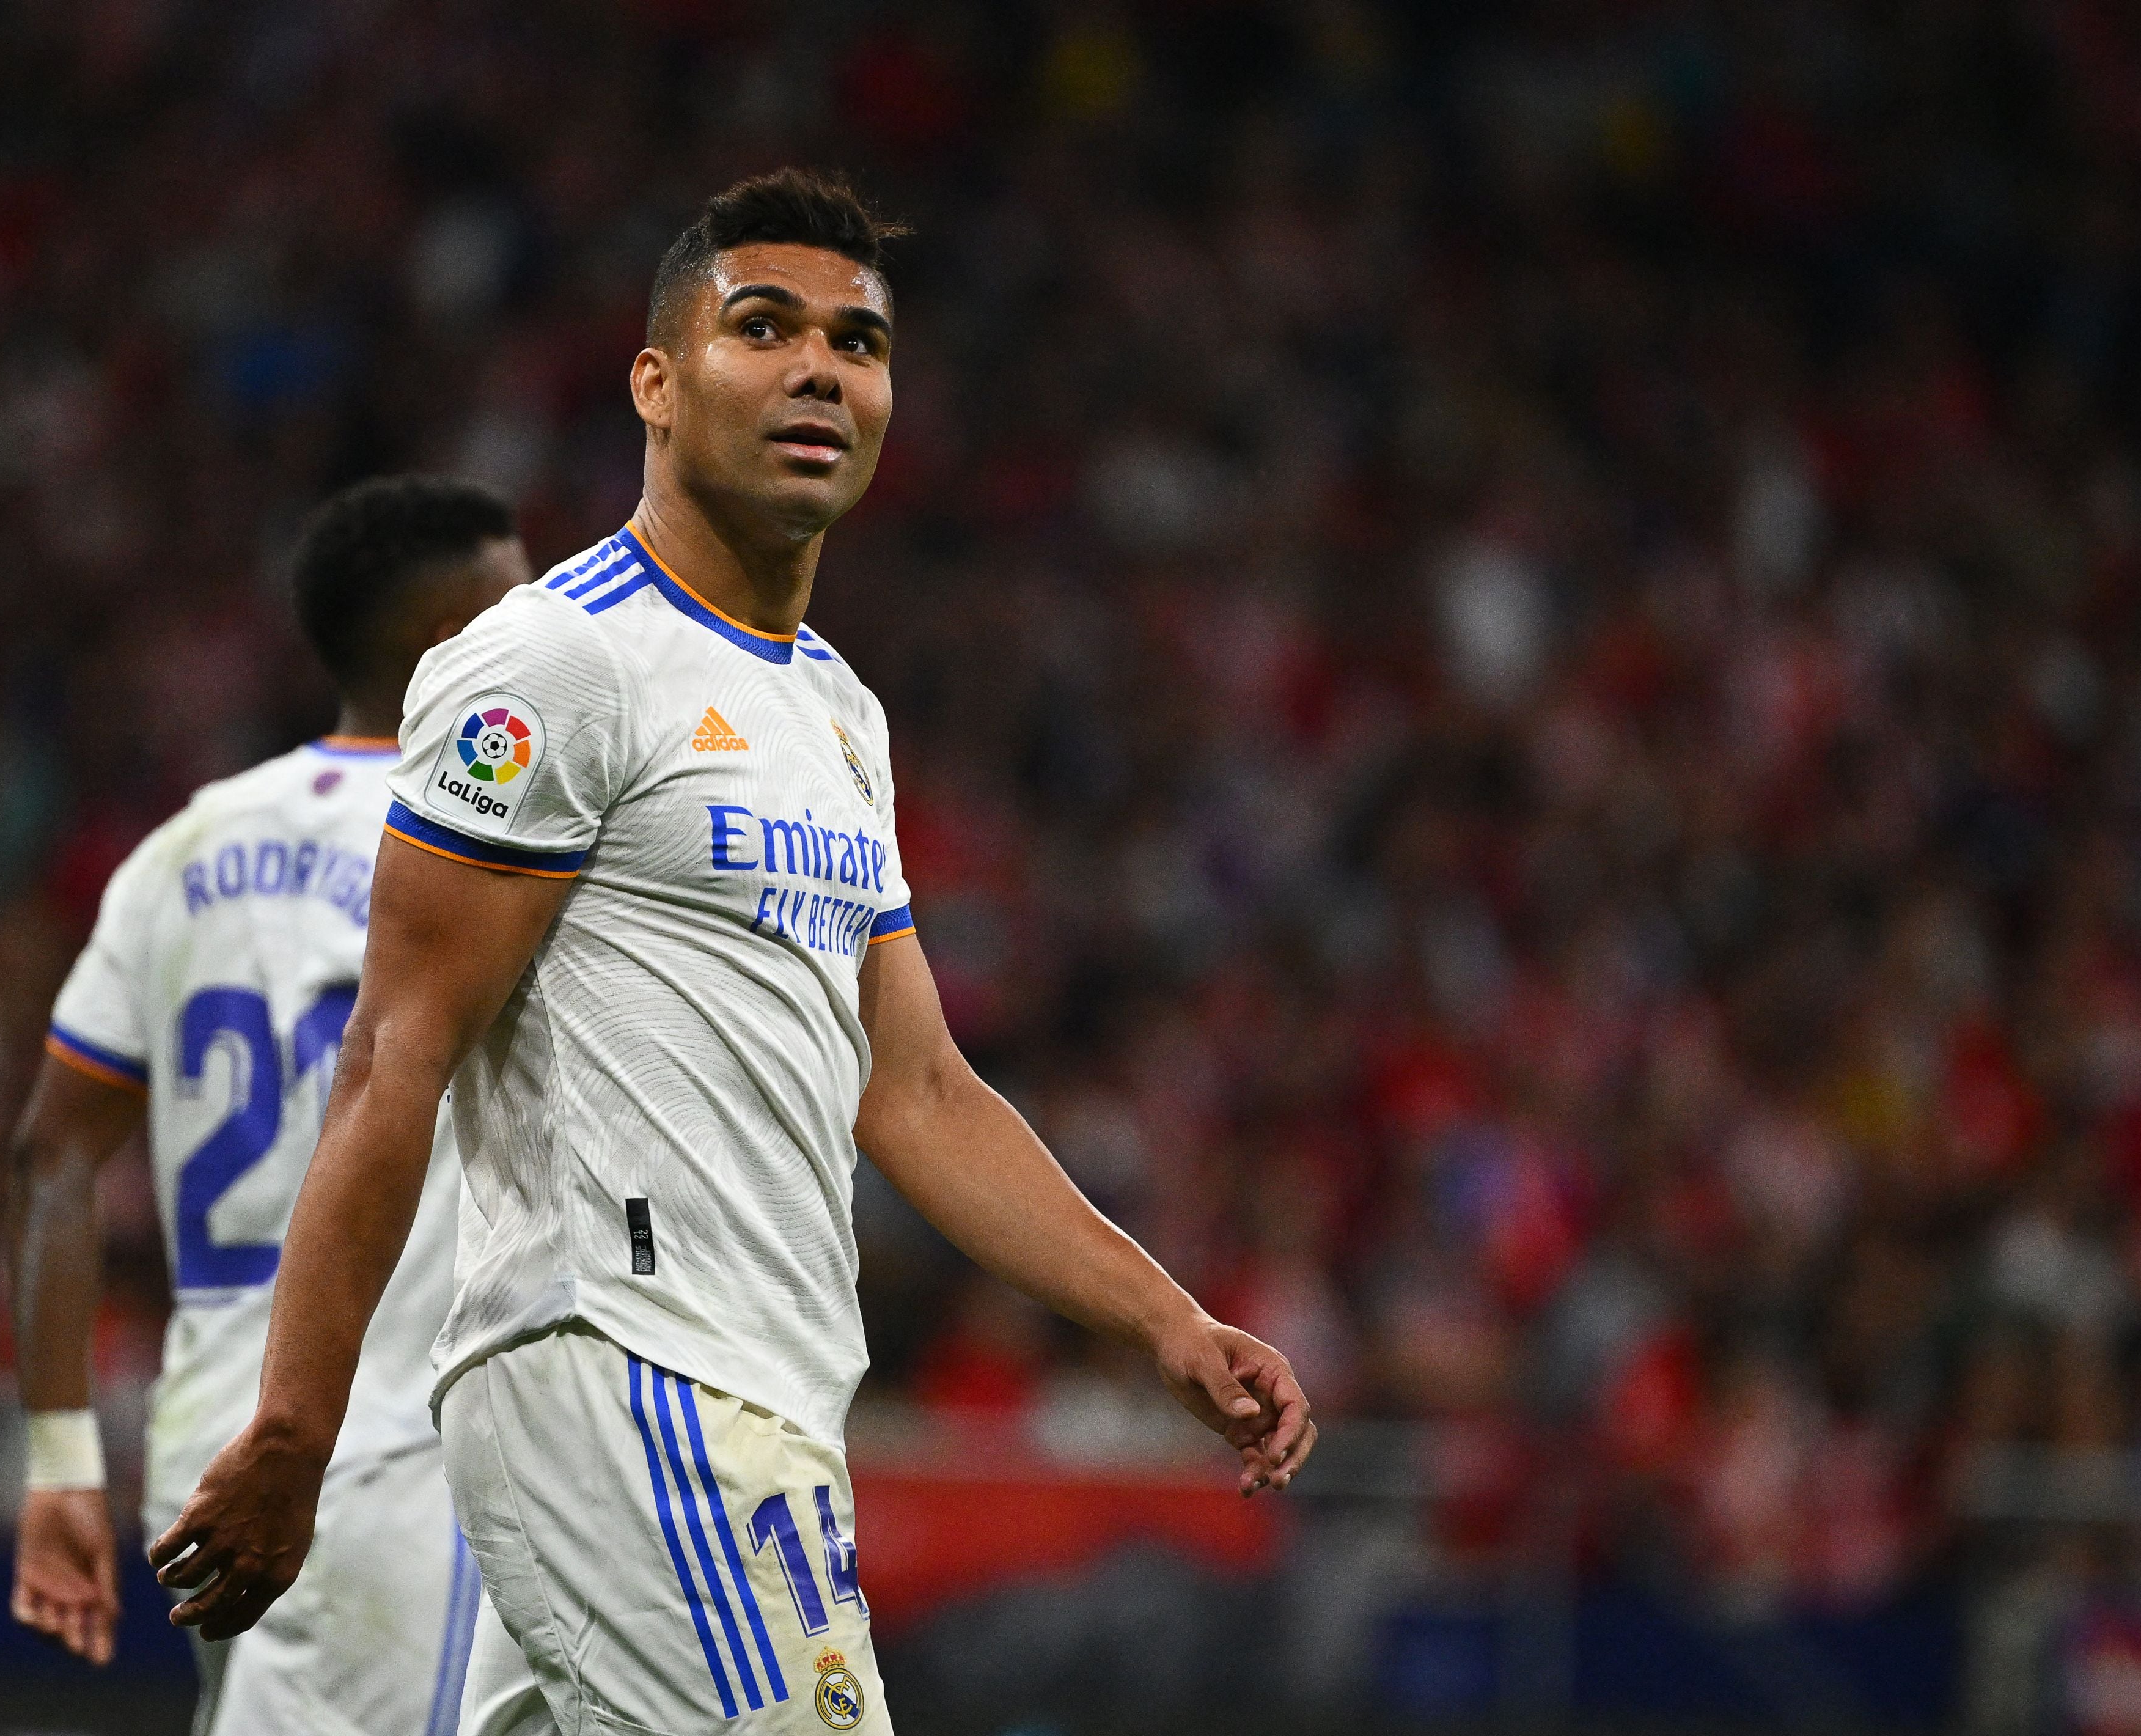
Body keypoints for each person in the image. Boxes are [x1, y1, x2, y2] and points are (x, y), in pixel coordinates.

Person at [152, 171, 1318, 1735]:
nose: (821, 369)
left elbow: (916, 1089)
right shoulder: (556, 662)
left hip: (763, 1400)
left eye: (859, 340)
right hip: (630, 1381)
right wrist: (295, 1422)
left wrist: (1162, 1317)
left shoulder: (837, 711)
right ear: (657, 379)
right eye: (763, 329)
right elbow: (394, 1051)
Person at [7, 476, 538, 1735]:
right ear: (450, 644)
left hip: (203, 1448)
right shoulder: (488, 842)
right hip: (389, 1439)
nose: (543, 638)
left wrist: (58, 1459)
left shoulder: (179, 851)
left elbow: (50, 1158)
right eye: (515, 608)